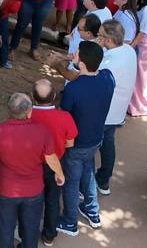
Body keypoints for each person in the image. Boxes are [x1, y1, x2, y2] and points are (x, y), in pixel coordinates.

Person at [0, 92, 65, 248]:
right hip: (33, 190)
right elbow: (51, 159)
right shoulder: (42, 131)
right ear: (29, 111)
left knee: (5, 227)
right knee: (31, 228)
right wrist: (60, 174)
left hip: (6, 189)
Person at [56, 41, 114, 236]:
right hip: (96, 137)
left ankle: (70, 222)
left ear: (81, 62)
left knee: (72, 182)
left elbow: (65, 115)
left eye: (77, 54)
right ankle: (92, 210)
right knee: (88, 171)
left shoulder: (73, 89)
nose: (75, 55)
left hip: (77, 143)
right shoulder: (108, 77)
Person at [29, 79, 77, 245]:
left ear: (32, 97)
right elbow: (70, 143)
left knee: (30, 199)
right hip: (55, 164)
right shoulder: (65, 117)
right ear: (54, 96)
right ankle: (49, 234)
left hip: (31, 165)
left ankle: (26, 231)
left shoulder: (27, 114)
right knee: (52, 199)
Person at [92, 20, 136, 196]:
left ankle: (86, 184)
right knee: (108, 144)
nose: (98, 37)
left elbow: (92, 77)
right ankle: (104, 179)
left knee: (88, 147)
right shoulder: (129, 50)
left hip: (104, 112)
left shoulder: (109, 62)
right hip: (117, 111)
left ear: (109, 40)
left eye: (100, 35)